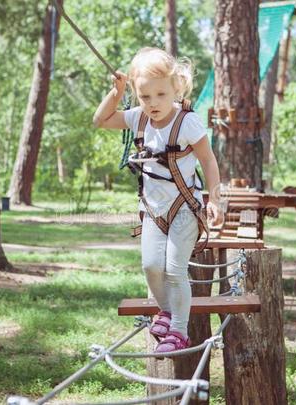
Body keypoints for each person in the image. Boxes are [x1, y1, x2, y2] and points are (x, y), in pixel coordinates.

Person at [93, 47, 224, 353]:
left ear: (176, 88)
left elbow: (209, 162)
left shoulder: (187, 123)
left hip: (185, 207)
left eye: (161, 95)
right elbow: (101, 120)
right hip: (153, 210)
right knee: (151, 266)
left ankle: (179, 331)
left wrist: (216, 200)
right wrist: (117, 92)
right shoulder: (139, 119)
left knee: (174, 269)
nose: (153, 103)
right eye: (144, 96)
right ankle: (166, 310)